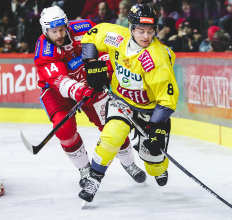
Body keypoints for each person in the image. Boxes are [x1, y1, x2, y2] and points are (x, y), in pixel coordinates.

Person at [34, 6, 146, 188]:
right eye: (53, 31)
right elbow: (59, 81)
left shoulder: (86, 27)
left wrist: (105, 68)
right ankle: (84, 169)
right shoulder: (44, 52)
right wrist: (80, 90)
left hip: (90, 83)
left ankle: (129, 164)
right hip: (57, 92)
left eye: (62, 29)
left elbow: (113, 45)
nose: (59, 34)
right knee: (64, 128)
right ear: (45, 31)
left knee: (113, 125)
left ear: (67, 24)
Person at [79, 4, 179, 203]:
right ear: (131, 28)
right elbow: (90, 37)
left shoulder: (156, 60)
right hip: (121, 101)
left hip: (150, 110)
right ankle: (94, 178)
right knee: (111, 136)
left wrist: (156, 128)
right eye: (141, 31)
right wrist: (91, 65)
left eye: (150, 32)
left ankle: (158, 166)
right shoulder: (116, 36)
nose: (145, 36)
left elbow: (167, 100)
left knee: (153, 160)